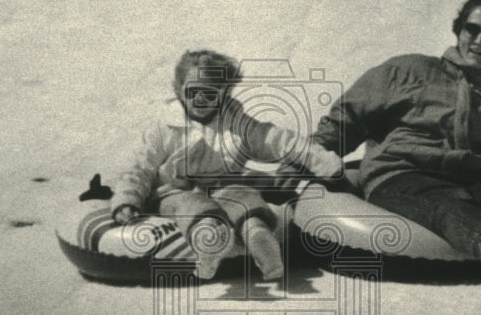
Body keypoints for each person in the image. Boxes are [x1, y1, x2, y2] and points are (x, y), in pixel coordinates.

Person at [311, 0, 481, 291]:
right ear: (459, 29)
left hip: (474, 182)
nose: (478, 42)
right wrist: (309, 158)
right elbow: (350, 118)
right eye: (471, 30)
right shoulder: (409, 71)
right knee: (446, 207)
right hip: (403, 174)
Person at [112, 49, 343, 280]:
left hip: (224, 186)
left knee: (243, 197)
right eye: (193, 92)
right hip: (174, 192)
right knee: (189, 204)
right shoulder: (164, 130)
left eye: (210, 94)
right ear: (178, 90)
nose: (200, 100)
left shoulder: (237, 124)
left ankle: (259, 236)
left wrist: (321, 160)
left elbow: (279, 141)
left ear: (224, 94)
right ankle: (209, 239)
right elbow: (140, 166)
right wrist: (127, 199)